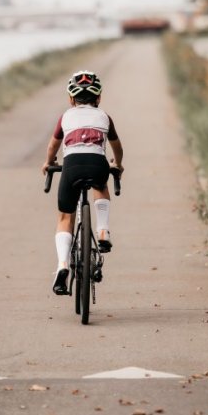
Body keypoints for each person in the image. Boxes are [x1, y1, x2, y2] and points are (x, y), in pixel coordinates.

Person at [42, 70, 124, 295]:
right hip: (98, 164)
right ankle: (103, 231)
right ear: (99, 98)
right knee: (100, 185)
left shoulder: (65, 117)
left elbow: (52, 146)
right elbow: (117, 147)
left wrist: (48, 163)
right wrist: (117, 164)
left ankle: (62, 265)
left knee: (64, 217)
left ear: (71, 99)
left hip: (71, 167)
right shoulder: (105, 117)